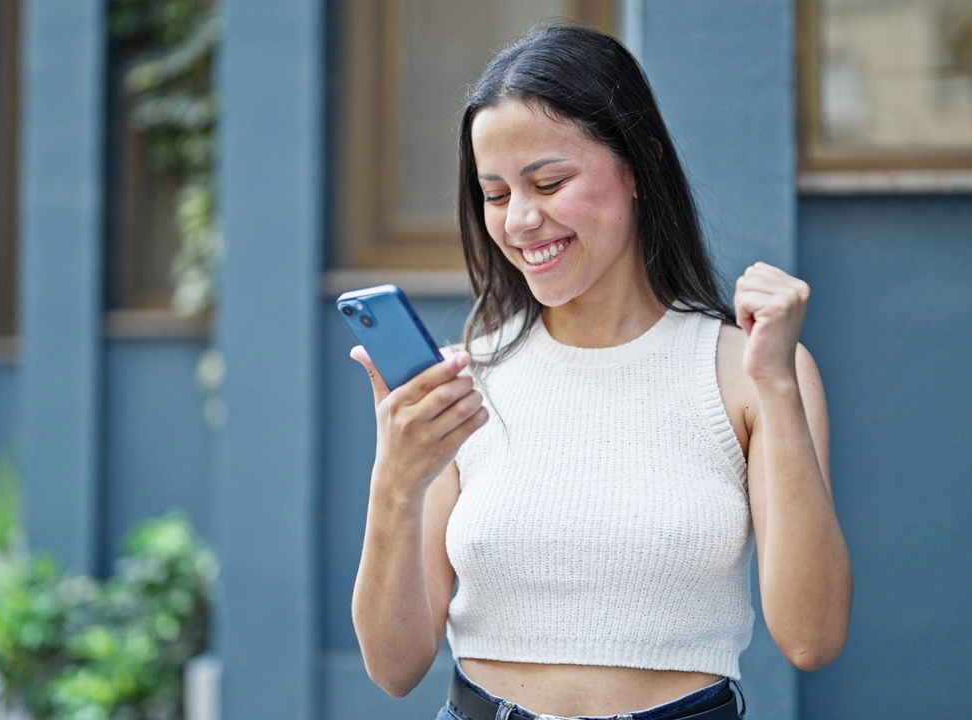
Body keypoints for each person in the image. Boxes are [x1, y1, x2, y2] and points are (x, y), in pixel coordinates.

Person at [349, 22, 852, 720]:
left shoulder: (752, 371)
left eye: (549, 182)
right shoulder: (469, 377)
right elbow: (394, 666)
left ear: (638, 165)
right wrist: (395, 486)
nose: (521, 219)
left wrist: (776, 387)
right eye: (495, 195)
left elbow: (812, 638)